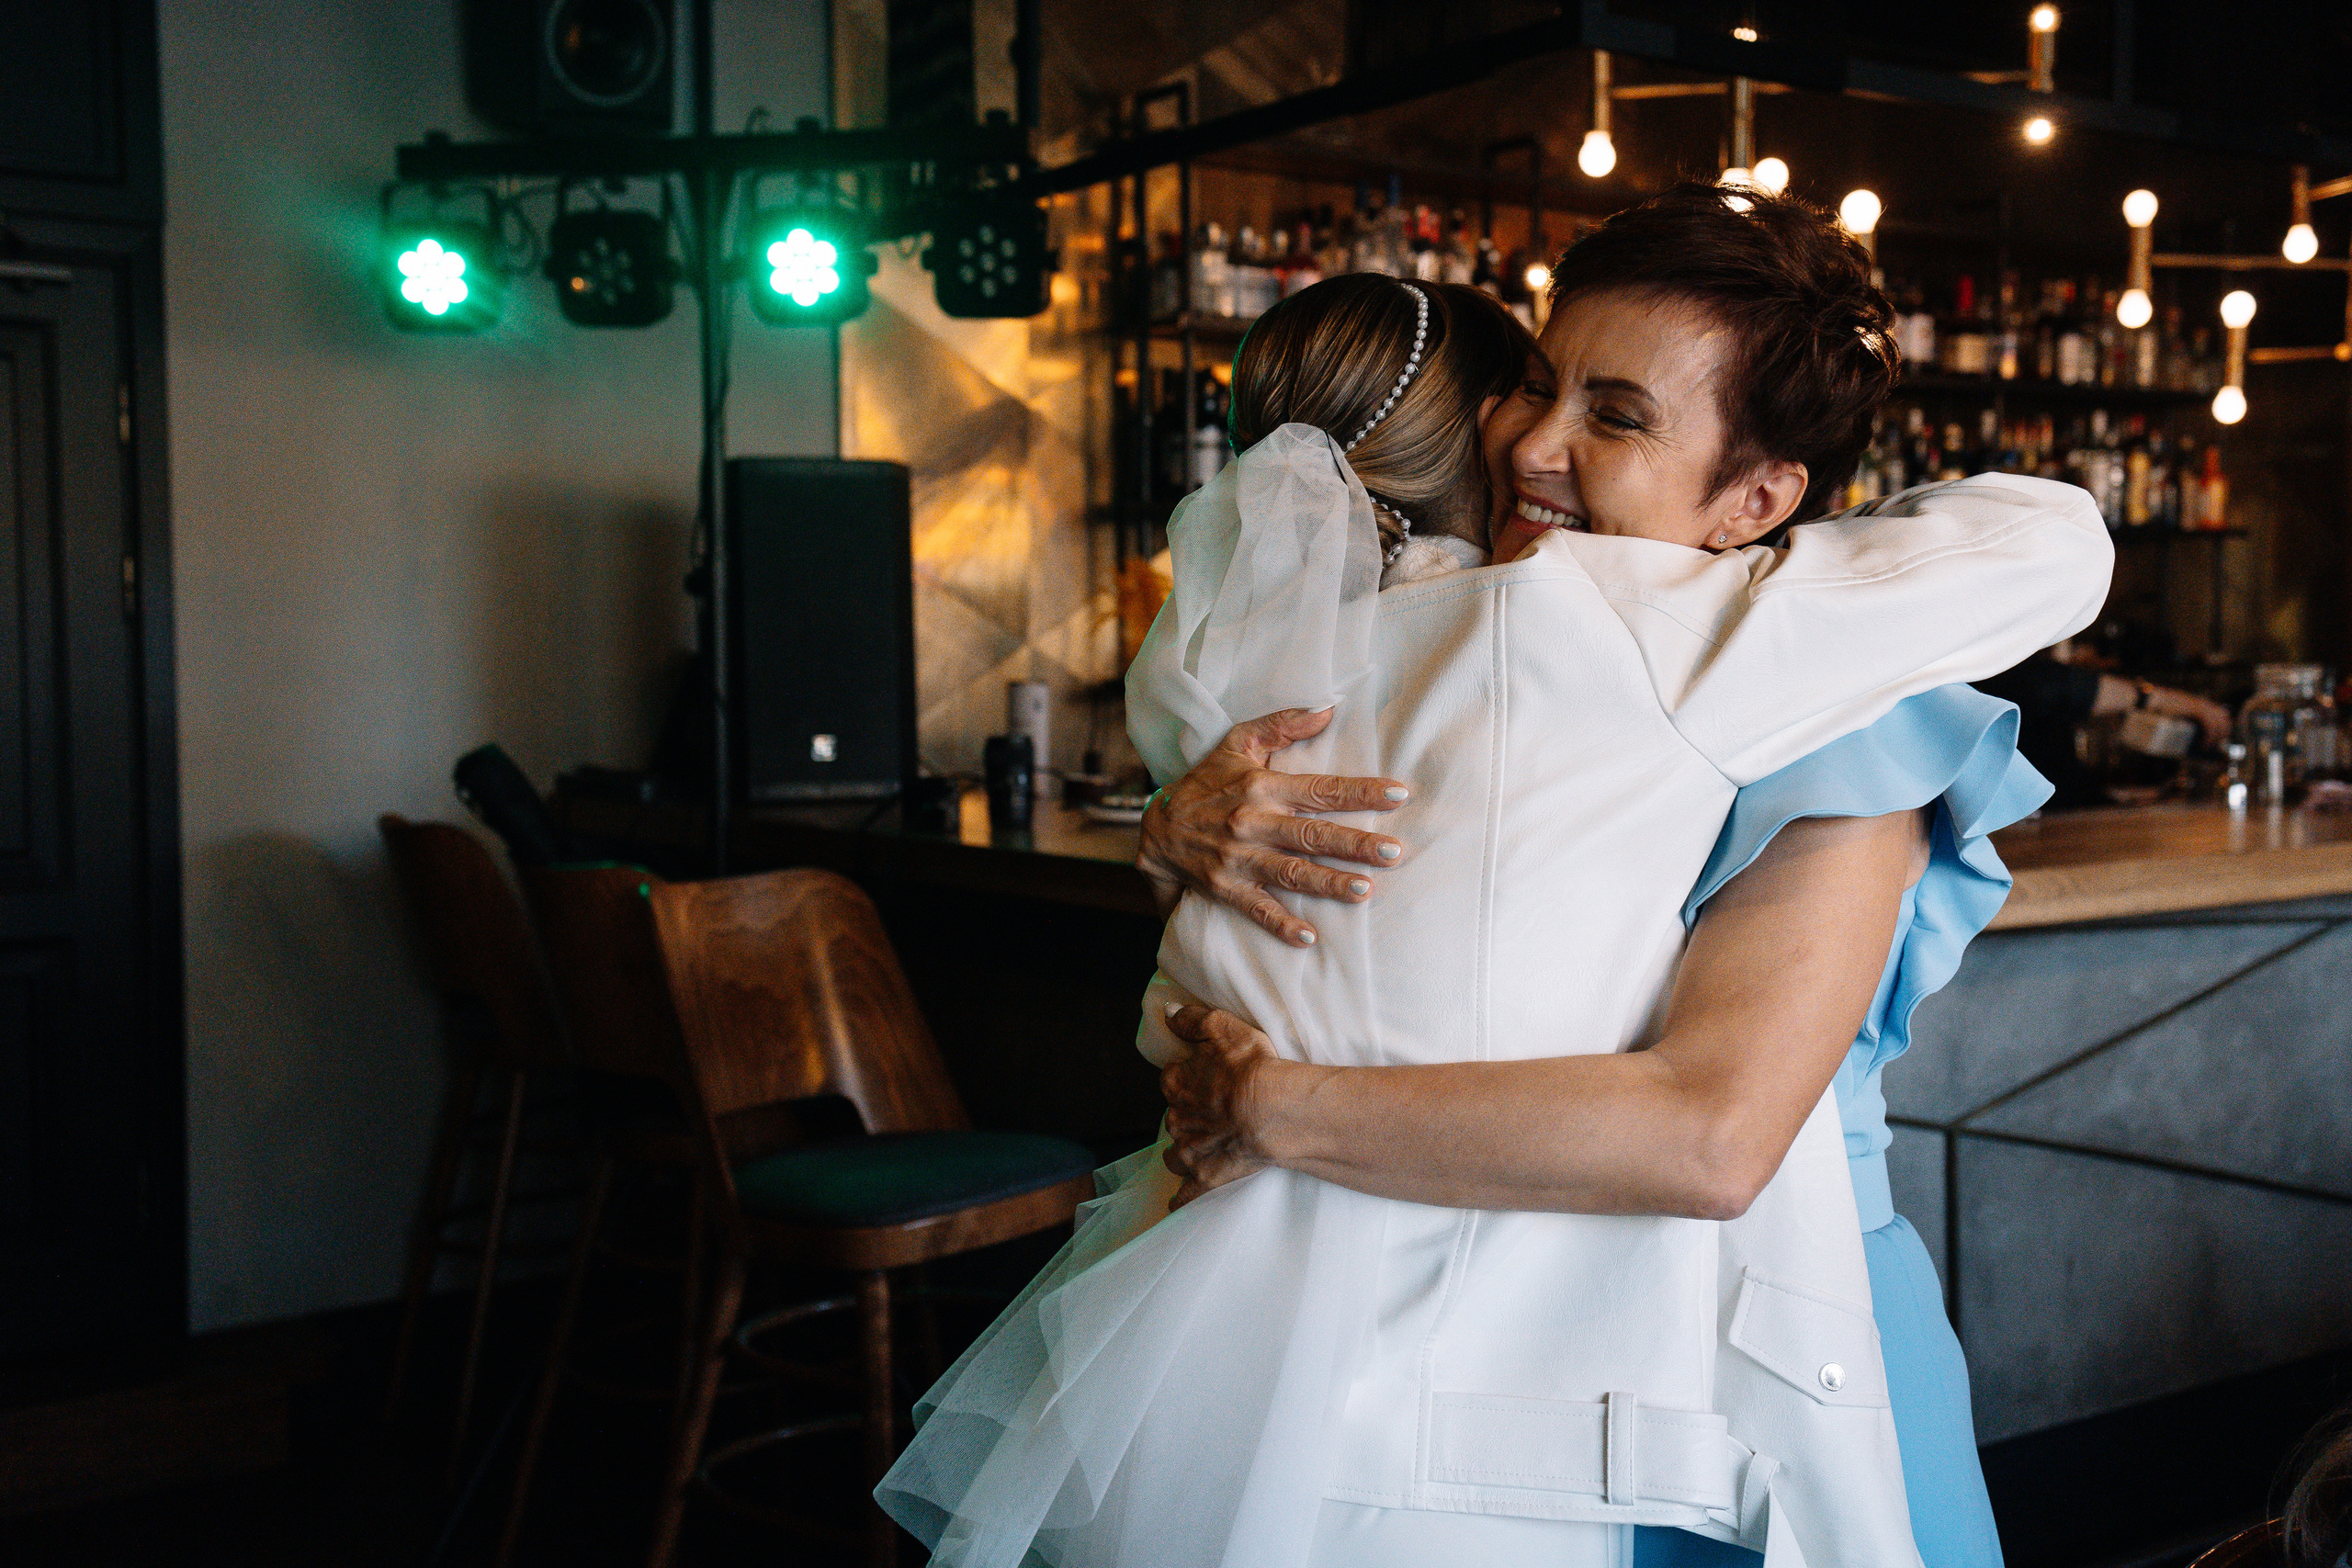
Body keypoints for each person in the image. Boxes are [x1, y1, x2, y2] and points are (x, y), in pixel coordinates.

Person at [880, 184, 2111, 1568]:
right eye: (1535, 383)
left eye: (1618, 416)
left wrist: (1273, 1104)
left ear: (1759, 500)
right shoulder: (1453, 659)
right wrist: (1181, 825)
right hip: (1500, 1354)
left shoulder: (1839, 704)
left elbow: (1708, 1136)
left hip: (1765, 1346)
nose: (1533, 440)